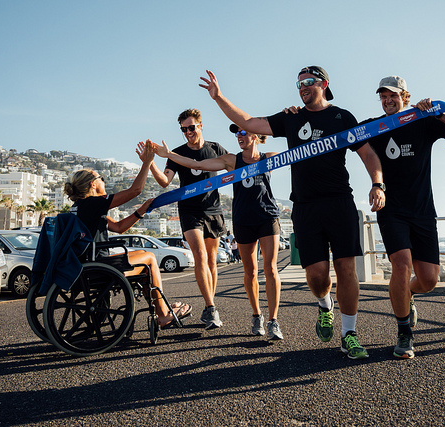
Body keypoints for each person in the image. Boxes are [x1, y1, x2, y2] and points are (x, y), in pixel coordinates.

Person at [198, 66, 385, 359]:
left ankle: (349, 334)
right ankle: (325, 305)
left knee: (346, 269)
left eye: (309, 82)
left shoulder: (343, 118)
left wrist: (378, 184)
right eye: (299, 83)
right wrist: (218, 96)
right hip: (306, 207)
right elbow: (248, 121)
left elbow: (368, 153)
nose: (303, 87)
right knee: (317, 275)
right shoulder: (291, 118)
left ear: (324, 84)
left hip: (339, 202)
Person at [362, 76, 445, 358]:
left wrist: (437, 110)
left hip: (422, 210)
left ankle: (407, 296)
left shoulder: (422, 119)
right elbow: (339, 137)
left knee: (429, 280)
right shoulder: (373, 126)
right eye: (383, 96)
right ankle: (404, 332)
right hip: (390, 208)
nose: (388, 100)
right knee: (401, 264)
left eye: (393, 96)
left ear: (406, 97)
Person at [151, 124, 284, 340]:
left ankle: (273, 321)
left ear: (255, 135)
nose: (238, 136)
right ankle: (257, 315)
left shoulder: (269, 157)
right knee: (250, 272)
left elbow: (299, 154)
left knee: (270, 269)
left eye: (243, 132)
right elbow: (196, 163)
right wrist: (169, 155)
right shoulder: (231, 160)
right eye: (236, 133)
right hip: (243, 219)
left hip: (267, 216)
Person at [63, 145, 192, 328]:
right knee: (149, 257)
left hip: (86, 265)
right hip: (97, 267)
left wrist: (141, 211)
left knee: (142, 257)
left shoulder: (80, 207)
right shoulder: (91, 203)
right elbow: (135, 191)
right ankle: (163, 315)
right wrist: (147, 163)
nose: (104, 182)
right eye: (102, 179)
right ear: (93, 184)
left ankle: (161, 310)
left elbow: (119, 227)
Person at [142, 108, 227, 330]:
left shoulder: (215, 148)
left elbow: (236, 166)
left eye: (191, 127)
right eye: (183, 129)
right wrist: (151, 161)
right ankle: (210, 308)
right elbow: (164, 182)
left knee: (211, 261)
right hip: (189, 211)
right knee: (199, 256)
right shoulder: (177, 153)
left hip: (214, 210)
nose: (188, 132)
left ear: (200, 125)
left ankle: (211, 304)